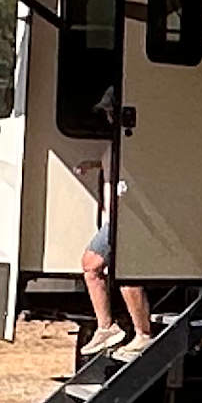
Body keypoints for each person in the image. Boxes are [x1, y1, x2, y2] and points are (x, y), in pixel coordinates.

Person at [82, 102, 145, 356]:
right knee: (95, 267)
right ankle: (109, 328)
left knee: (110, 269)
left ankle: (141, 333)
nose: (108, 117)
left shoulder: (134, 141)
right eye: (106, 113)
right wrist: (91, 164)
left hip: (124, 217)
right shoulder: (117, 142)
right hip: (115, 218)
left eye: (111, 111)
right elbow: (110, 164)